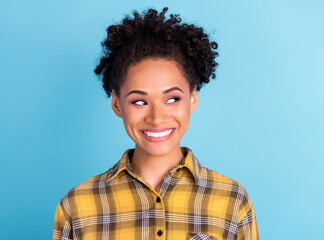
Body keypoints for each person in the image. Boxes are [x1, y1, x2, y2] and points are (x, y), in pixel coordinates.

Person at [53, 7, 258, 240]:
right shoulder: (77, 206)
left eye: (172, 99)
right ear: (117, 105)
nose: (157, 117)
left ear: (192, 99)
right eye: (140, 101)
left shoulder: (233, 200)